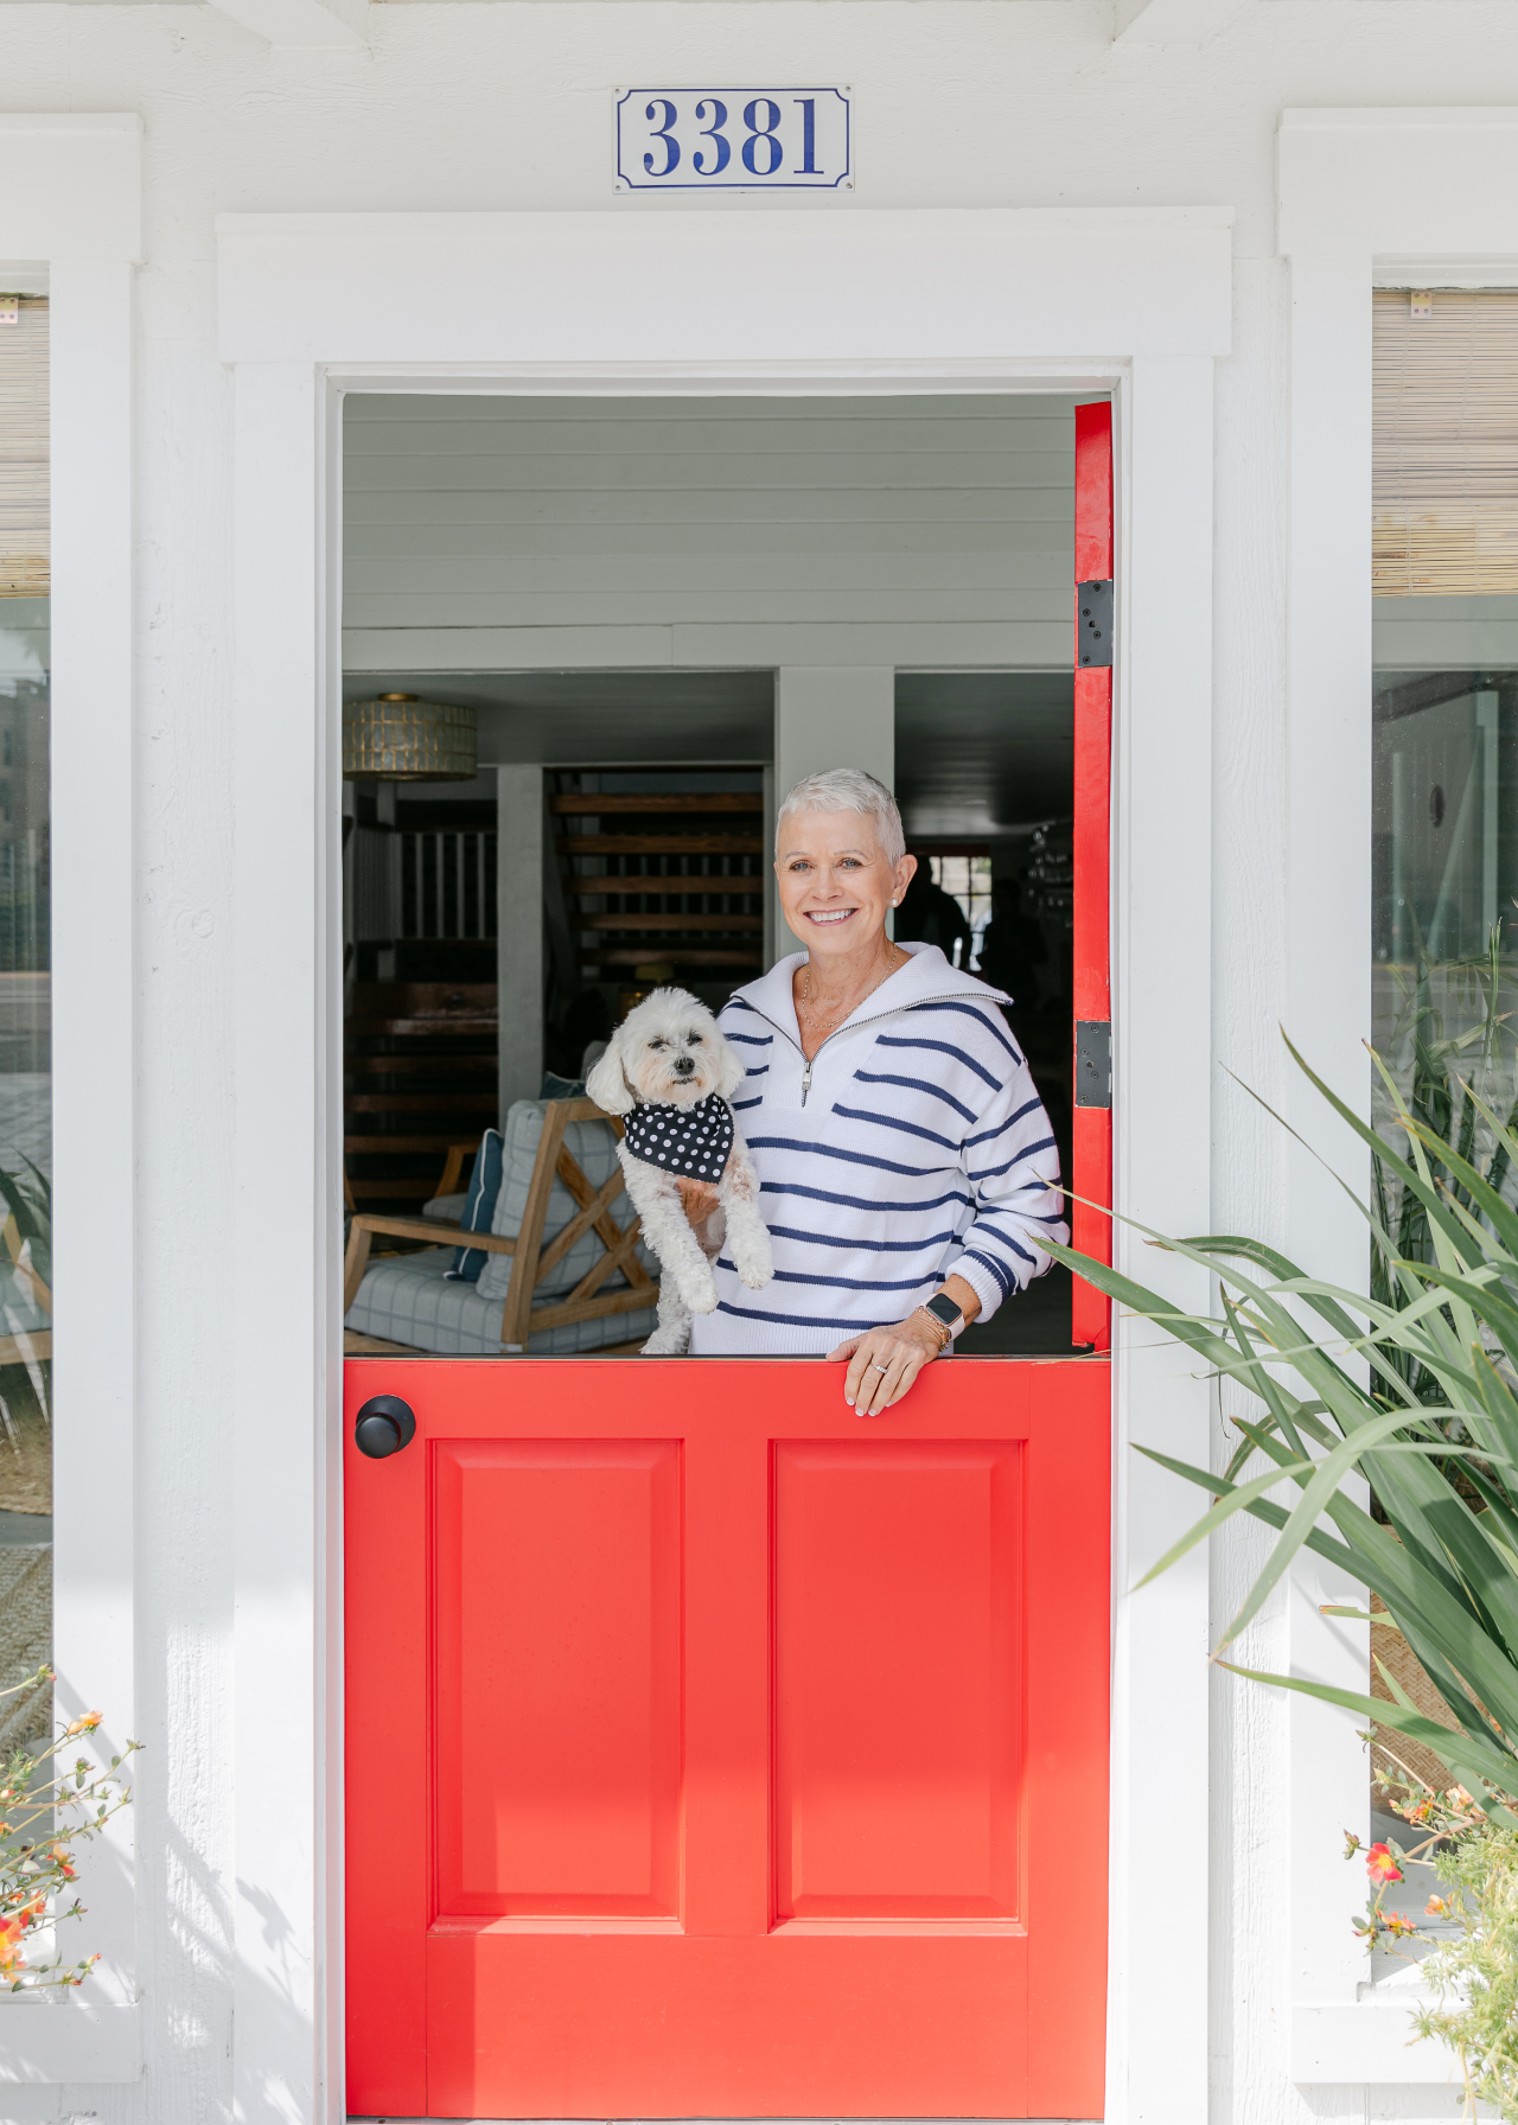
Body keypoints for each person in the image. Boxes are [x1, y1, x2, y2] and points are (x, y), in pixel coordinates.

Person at [678, 766, 1067, 1413]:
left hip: (877, 1398)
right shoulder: (736, 1024)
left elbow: (1033, 1208)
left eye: (850, 862)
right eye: (801, 864)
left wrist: (930, 1323)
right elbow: (717, 1218)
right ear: (779, 879)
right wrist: (689, 1209)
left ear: (899, 878)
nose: (823, 888)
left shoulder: (963, 1025)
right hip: (725, 1378)